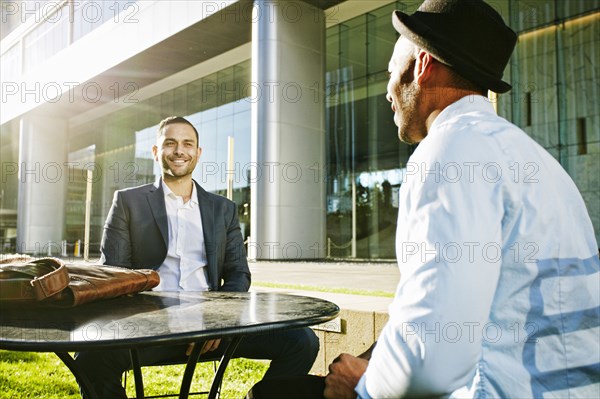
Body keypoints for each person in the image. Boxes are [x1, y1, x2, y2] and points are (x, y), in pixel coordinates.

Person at [248, 0, 600, 398]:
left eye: (389, 71)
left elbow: (431, 364)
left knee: (272, 394)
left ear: (421, 64)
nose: (387, 90)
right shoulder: (535, 159)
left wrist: (364, 385)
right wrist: (374, 360)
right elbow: (450, 305)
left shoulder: (449, 152)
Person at [75, 116, 319, 399]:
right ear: (156, 152)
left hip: (212, 326)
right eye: (170, 143)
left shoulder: (223, 209)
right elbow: (114, 275)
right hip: (149, 326)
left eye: (187, 143)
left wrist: (219, 321)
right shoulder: (128, 202)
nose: (180, 150)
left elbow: (239, 273)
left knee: (302, 341)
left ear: (198, 153)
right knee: (90, 359)